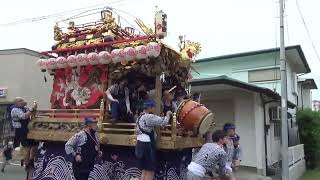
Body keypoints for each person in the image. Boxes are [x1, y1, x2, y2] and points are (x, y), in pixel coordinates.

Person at [135, 100, 172, 180]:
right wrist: (168, 114)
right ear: (149, 108)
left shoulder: (139, 117)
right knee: (150, 170)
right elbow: (164, 122)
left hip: (139, 144)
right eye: (153, 107)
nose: (155, 109)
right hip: (147, 146)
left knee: (144, 170)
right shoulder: (149, 117)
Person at [11, 97, 37, 170]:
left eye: (22, 100)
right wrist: (32, 109)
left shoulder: (25, 107)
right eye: (20, 101)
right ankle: (27, 164)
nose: (22, 101)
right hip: (21, 130)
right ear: (16, 103)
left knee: (35, 145)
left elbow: (32, 111)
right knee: (27, 148)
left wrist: (34, 107)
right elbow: (24, 116)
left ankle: (31, 160)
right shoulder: (14, 110)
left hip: (29, 128)